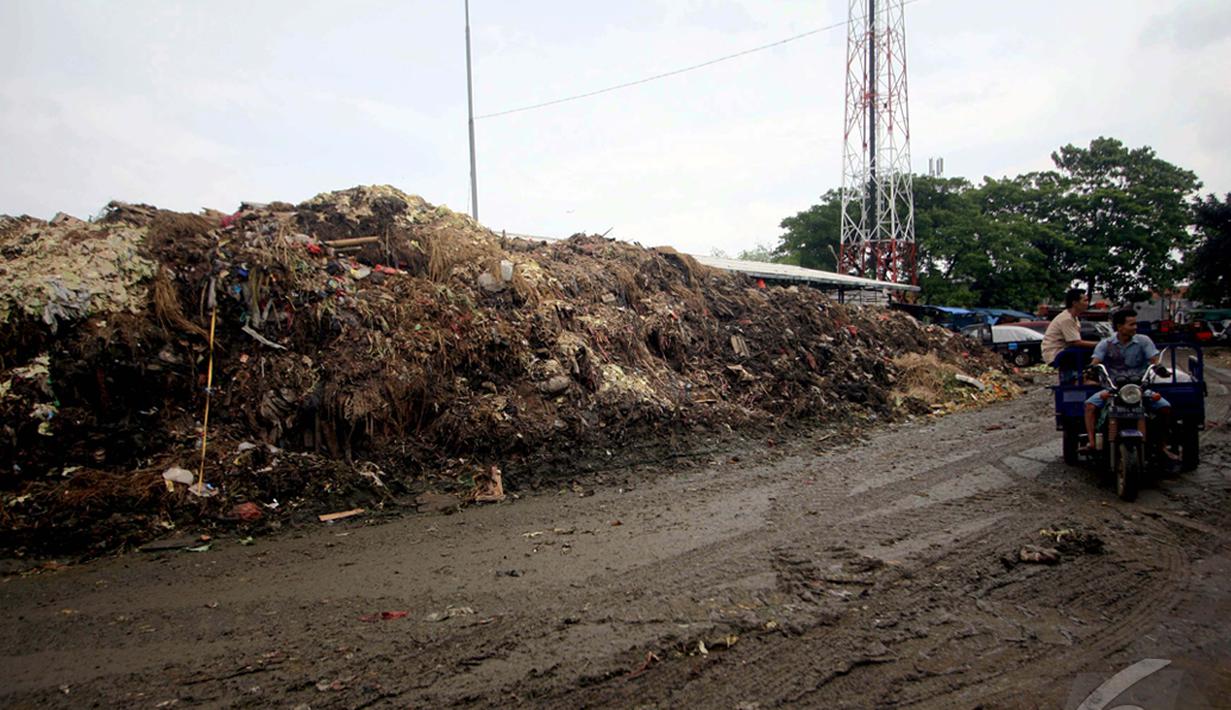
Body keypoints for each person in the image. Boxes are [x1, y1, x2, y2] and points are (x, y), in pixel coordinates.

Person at [1082, 308, 1177, 459]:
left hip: (1139, 389)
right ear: (1120, 327)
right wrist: (1091, 369)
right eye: (1131, 324)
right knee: (1090, 406)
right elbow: (1096, 361)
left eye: (1135, 324)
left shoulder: (1144, 341)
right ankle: (1092, 443)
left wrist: (1160, 369)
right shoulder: (1106, 344)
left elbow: (1154, 361)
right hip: (1113, 390)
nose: (1135, 327)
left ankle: (1162, 446)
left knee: (1165, 407)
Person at [1043, 288, 1098, 382]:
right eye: (1084, 300)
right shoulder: (1066, 319)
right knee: (1091, 351)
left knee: (1092, 337)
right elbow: (1075, 342)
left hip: (1065, 349)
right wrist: (1099, 345)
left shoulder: (1074, 318)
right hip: (1056, 353)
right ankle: (1079, 378)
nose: (1087, 303)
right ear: (1075, 303)